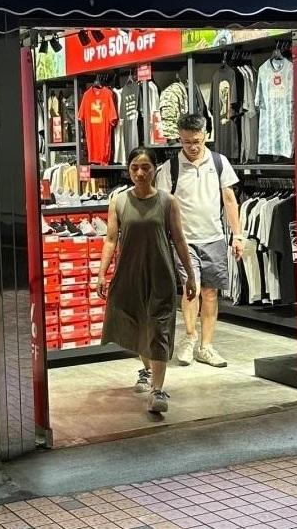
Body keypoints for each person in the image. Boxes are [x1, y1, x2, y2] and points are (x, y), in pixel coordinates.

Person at [97, 147, 197, 415]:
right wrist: (102, 273)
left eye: (145, 167)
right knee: (139, 326)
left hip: (160, 274)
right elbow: (110, 240)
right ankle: (148, 370)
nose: (140, 173)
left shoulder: (167, 202)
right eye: (134, 168)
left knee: (160, 328)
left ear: (154, 169)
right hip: (130, 275)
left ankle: (158, 390)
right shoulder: (118, 202)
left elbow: (179, 240)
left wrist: (189, 275)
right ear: (128, 170)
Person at [155, 113, 244, 368]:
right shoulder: (170, 168)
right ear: (179, 139)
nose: (192, 147)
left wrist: (237, 235)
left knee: (211, 293)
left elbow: (229, 200)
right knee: (190, 289)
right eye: (186, 142)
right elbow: (162, 205)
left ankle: (206, 346)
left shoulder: (219, 162)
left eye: (196, 141)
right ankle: (189, 337)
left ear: (205, 135)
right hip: (184, 240)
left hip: (214, 237)